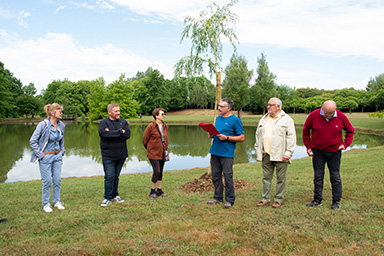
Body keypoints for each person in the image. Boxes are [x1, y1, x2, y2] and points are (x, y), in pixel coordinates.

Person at [303, 100, 354, 210]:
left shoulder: (341, 116)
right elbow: (306, 131)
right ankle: (317, 200)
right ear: (322, 109)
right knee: (318, 176)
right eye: (326, 113)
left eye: (331, 113)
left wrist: (345, 144)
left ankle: (336, 201)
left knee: (335, 176)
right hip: (318, 152)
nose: (329, 116)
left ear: (335, 109)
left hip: (334, 152)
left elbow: (350, 131)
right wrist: (308, 147)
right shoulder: (313, 115)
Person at [255, 98, 296, 208]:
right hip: (266, 154)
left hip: (280, 154)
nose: (268, 107)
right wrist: (258, 150)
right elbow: (258, 136)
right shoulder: (263, 119)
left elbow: (291, 137)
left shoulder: (287, 120)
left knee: (280, 179)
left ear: (278, 106)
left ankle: (278, 199)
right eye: (268, 105)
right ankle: (265, 198)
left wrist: (288, 153)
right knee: (266, 178)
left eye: (271, 105)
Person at [207, 98, 245, 209]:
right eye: (219, 106)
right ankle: (218, 198)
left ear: (229, 108)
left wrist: (227, 138)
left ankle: (229, 200)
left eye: (222, 106)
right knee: (215, 176)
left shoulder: (235, 120)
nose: (219, 108)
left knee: (228, 177)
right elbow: (216, 132)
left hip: (226, 153)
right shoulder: (218, 119)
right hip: (215, 151)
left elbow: (241, 137)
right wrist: (210, 134)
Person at [30, 103, 66, 213]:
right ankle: (46, 204)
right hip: (46, 156)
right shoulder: (43, 125)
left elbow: (61, 140)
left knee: (57, 180)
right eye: (59, 111)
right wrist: (41, 155)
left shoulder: (61, 125)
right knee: (47, 181)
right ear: (52, 113)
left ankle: (57, 201)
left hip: (57, 156)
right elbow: (33, 141)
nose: (61, 113)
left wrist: (62, 151)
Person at [99, 103, 131, 207]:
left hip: (121, 154)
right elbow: (103, 134)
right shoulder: (103, 123)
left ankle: (115, 195)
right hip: (108, 155)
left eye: (119, 110)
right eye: (116, 111)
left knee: (116, 176)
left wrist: (112, 134)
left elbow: (127, 135)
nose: (118, 113)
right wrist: (119, 132)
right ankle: (107, 197)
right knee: (109, 176)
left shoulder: (123, 122)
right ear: (109, 112)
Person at [142, 108, 169, 198]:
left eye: (164, 114)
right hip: (153, 153)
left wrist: (165, 149)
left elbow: (165, 139)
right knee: (156, 171)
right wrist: (150, 149)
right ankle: (152, 190)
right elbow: (144, 140)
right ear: (156, 116)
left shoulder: (165, 126)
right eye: (162, 114)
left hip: (162, 153)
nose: (163, 115)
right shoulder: (151, 126)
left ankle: (159, 189)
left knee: (160, 171)